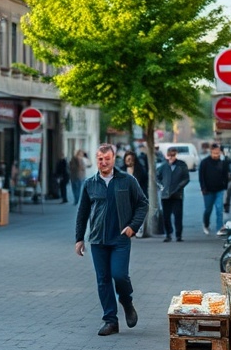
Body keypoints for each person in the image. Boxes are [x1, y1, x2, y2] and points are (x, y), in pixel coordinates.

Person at [74, 143, 148, 336]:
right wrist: (79, 238)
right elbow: (82, 213)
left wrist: (133, 227)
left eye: (107, 159)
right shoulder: (90, 184)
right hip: (98, 240)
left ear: (114, 159)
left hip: (120, 238)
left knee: (119, 275)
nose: (103, 162)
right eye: (100, 159)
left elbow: (142, 204)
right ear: (96, 159)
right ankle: (110, 321)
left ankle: (126, 300)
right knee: (103, 280)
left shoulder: (127, 180)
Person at [156, 147, 189, 242]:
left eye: (173, 155)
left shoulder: (181, 165)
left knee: (178, 215)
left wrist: (179, 187)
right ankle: (168, 234)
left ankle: (178, 235)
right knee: (166, 216)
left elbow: (186, 178)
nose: (171, 157)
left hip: (177, 195)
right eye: (170, 155)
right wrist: (162, 187)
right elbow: (157, 178)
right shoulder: (163, 166)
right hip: (165, 195)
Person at [198, 143, 231, 234]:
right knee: (208, 209)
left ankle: (219, 228)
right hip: (208, 190)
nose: (216, 155)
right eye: (214, 153)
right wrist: (203, 188)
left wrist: (225, 186)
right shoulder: (204, 162)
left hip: (219, 189)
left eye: (218, 153)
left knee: (219, 209)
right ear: (211, 152)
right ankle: (206, 224)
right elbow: (201, 176)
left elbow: (226, 175)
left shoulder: (222, 163)